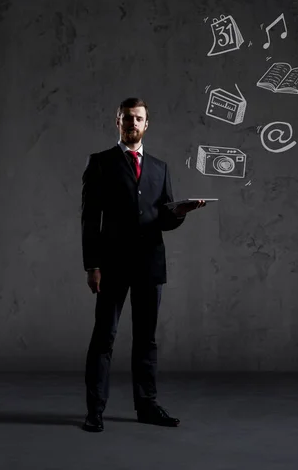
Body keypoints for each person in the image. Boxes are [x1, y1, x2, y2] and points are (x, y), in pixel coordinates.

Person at [80, 97, 205, 432]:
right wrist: (92, 265)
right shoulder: (101, 163)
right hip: (111, 266)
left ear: (146, 124)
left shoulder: (159, 168)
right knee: (104, 338)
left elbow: (162, 218)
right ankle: (95, 410)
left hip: (150, 265)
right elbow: (90, 220)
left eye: (138, 119)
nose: (132, 123)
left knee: (146, 340)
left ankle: (147, 406)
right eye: (127, 118)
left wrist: (180, 212)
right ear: (117, 122)